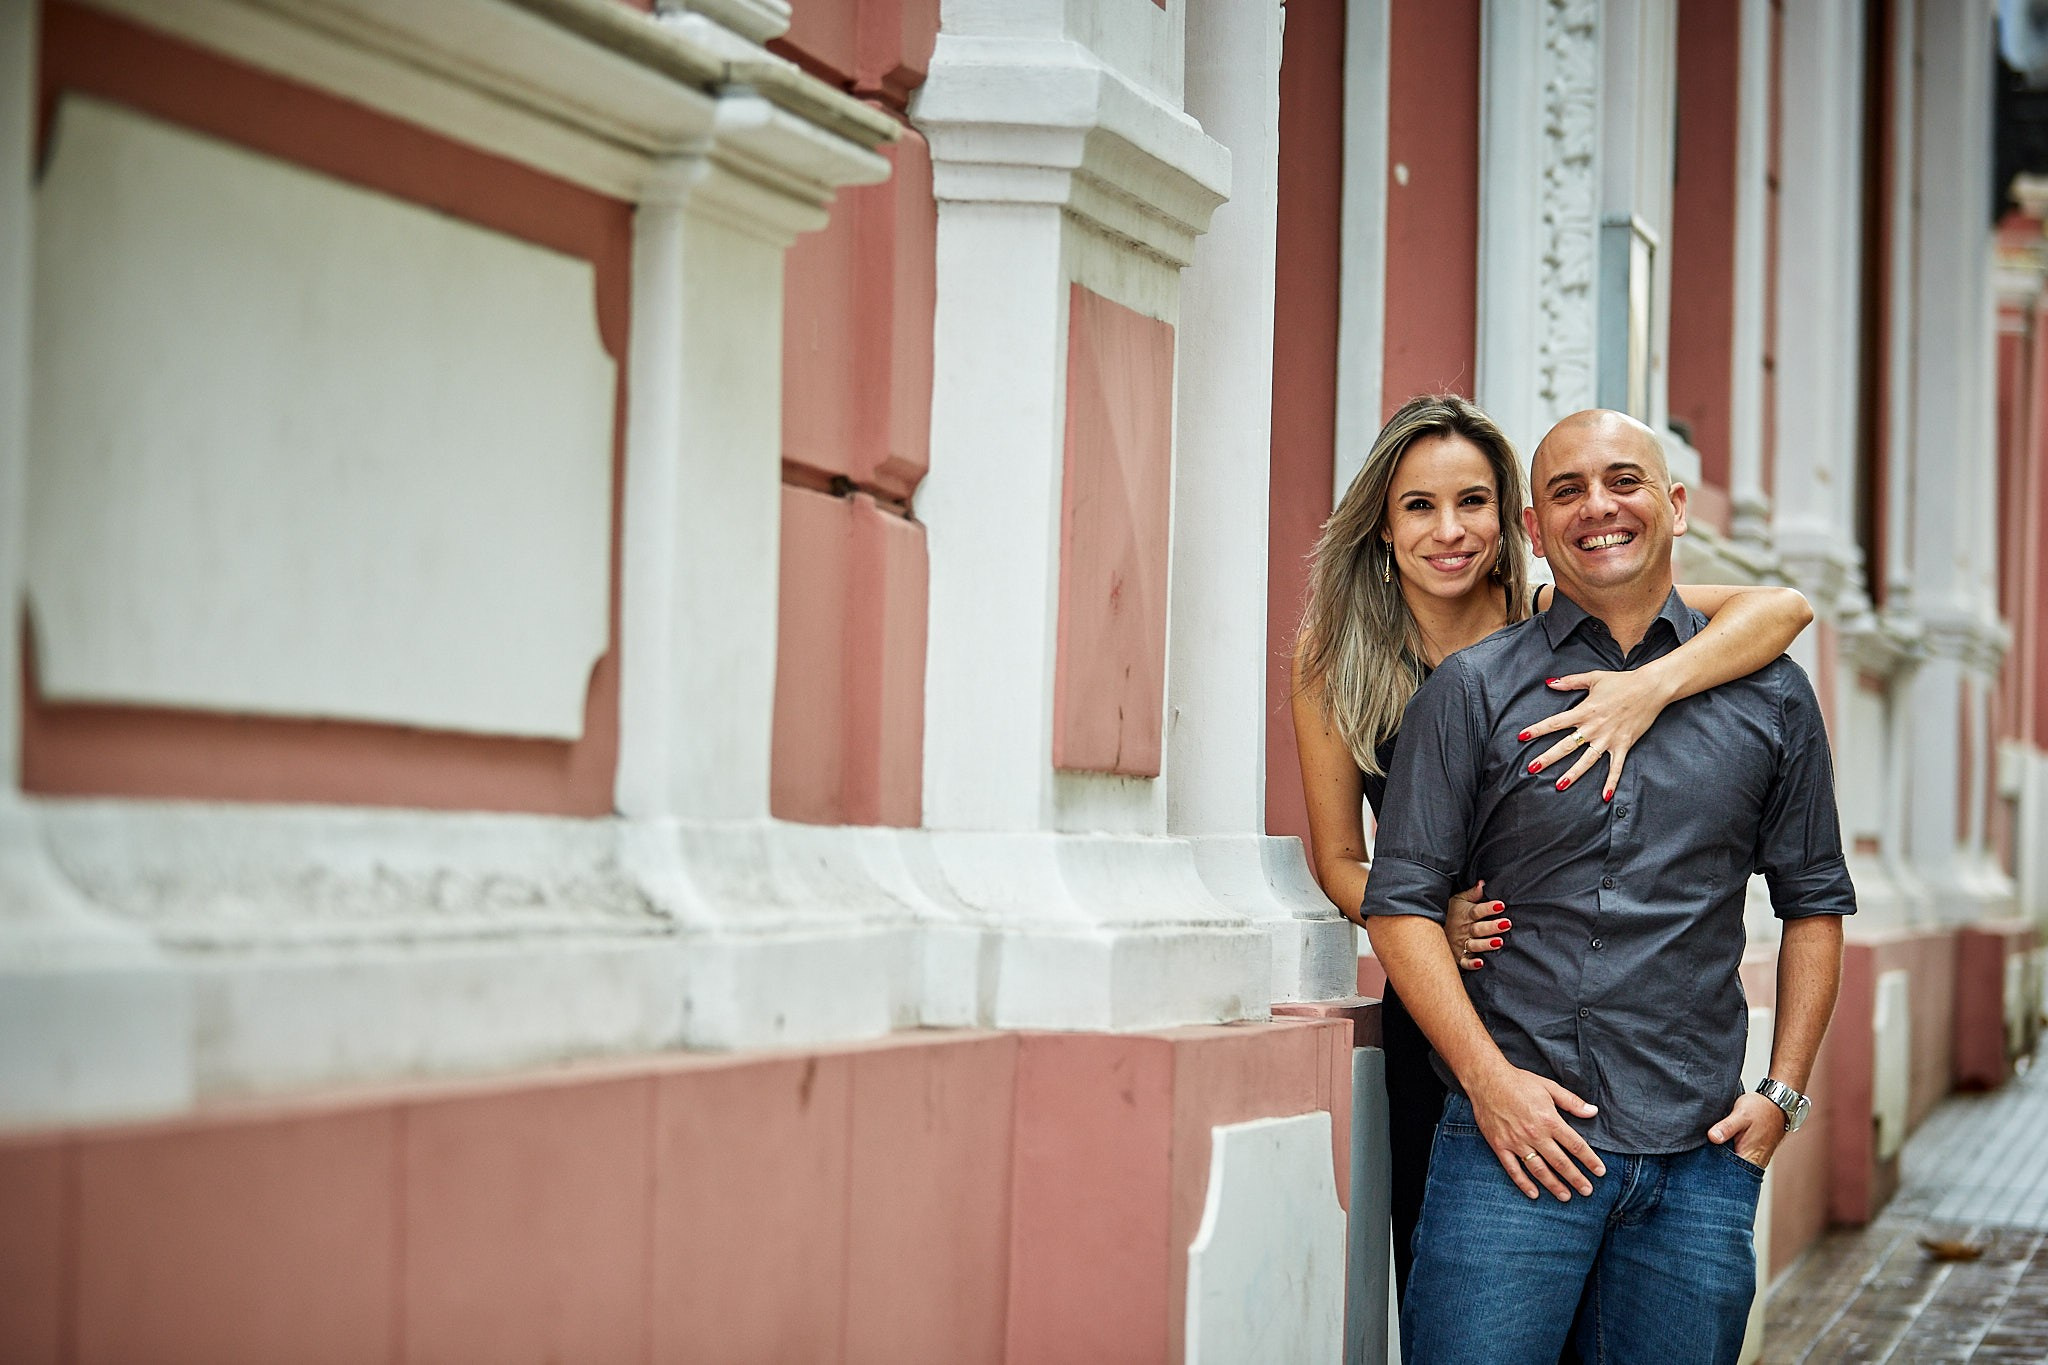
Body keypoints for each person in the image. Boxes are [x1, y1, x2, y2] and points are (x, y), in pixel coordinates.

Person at [1291, 395, 1813, 1309]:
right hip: (1449, 992)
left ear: (1510, 522)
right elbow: (1337, 853)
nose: (1450, 531)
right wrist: (1423, 911)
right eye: (1419, 506)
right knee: (1455, 1275)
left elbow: (1781, 608)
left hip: (1595, 1003)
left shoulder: (1552, 613)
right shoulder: (1336, 659)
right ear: (1382, 522)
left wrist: (1643, 689)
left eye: (1474, 502)